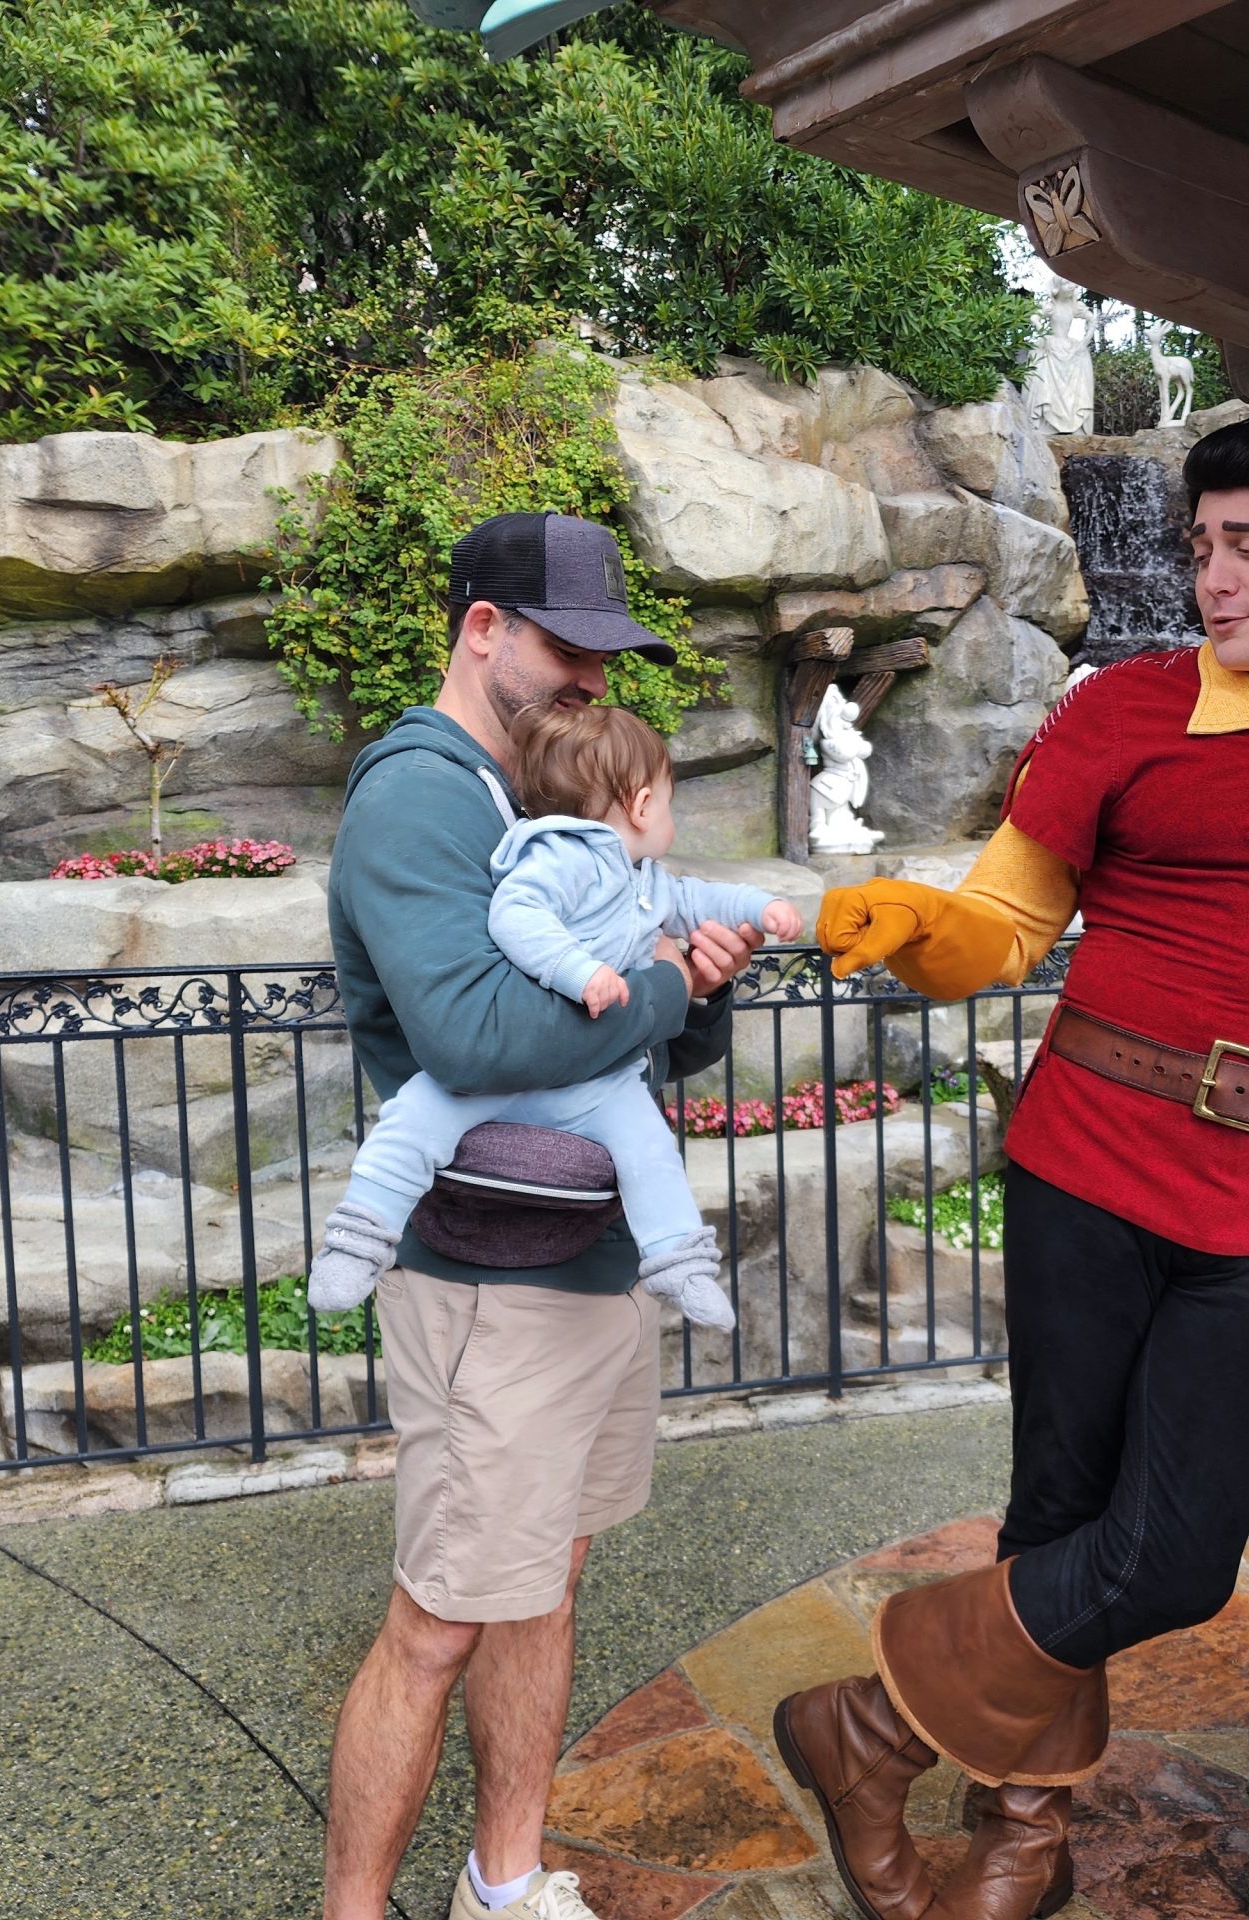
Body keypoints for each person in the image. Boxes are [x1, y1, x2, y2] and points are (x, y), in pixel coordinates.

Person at [771, 418, 1249, 1920]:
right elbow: (1010, 918)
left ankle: (860, 1727)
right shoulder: (1124, 713)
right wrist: (923, 928)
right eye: (1198, 546)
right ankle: (1022, 1837)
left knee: (1180, 1557)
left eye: (1244, 544)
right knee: (1059, 1515)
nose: (1209, 575)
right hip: (1084, 1159)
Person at [319, 511, 766, 1920]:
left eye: (600, 652)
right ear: (481, 629)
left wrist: (699, 981)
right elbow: (472, 1037)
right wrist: (664, 989)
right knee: (439, 1621)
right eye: (566, 648)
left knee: (544, 1584)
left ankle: (501, 1887)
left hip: (583, 1269)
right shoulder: (422, 795)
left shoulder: (543, 796)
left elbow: (635, 1042)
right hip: (485, 1282)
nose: (588, 678)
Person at [306, 701, 802, 1331]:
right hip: (500, 1172)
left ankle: (681, 1261)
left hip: (595, 1104)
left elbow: (701, 899)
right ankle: (357, 1241)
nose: (591, 676)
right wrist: (592, 974)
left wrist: (761, 910)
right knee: (412, 1121)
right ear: (645, 805)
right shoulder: (559, 854)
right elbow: (517, 917)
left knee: (649, 1147)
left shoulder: (643, 879)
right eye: (672, 805)